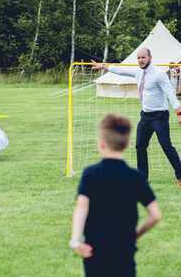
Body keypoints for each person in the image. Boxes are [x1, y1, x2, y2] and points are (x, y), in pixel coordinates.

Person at [69, 114, 161, 277]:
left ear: (101, 144)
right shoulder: (135, 176)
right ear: (126, 145)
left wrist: (75, 240)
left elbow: (81, 207)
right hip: (124, 248)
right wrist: (136, 234)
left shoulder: (90, 174)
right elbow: (155, 215)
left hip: (94, 249)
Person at [93, 48, 181, 187]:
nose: (140, 60)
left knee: (166, 146)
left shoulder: (159, 74)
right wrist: (104, 66)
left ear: (150, 58)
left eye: (143, 57)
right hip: (145, 117)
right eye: (138, 58)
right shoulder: (138, 72)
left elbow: (170, 93)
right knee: (140, 146)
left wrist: (178, 111)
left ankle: (180, 175)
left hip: (160, 116)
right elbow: (120, 70)